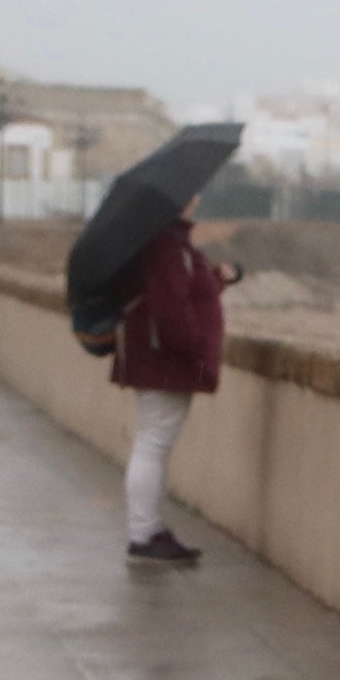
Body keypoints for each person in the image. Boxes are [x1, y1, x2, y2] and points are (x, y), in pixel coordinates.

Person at [108, 212, 240, 565]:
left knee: (152, 444)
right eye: (190, 196)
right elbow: (170, 307)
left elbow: (181, 291)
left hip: (155, 357)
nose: (195, 200)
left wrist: (216, 278)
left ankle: (148, 529)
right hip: (164, 361)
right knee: (152, 445)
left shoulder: (159, 241)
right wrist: (197, 349)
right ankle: (144, 534)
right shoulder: (167, 245)